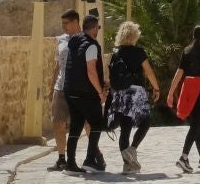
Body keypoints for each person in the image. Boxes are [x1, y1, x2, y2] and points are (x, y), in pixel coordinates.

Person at [107, 20, 160, 174]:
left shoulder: (115, 53)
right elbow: (148, 72)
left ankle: (127, 165)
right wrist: (156, 88)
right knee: (146, 121)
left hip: (121, 94)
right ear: (134, 36)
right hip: (136, 93)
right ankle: (132, 149)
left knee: (125, 129)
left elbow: (112, 75)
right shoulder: (139, 52)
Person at [62, 11, 110, 173]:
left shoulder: (74, 41)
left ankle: (70, 164)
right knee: (96, 123)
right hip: (86, 92)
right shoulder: (91, 45)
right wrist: (100, 92)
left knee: (75, 126)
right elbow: (91, 71)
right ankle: (90, 160)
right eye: (98, 27)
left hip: (70, 90)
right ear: (95, 28)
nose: (98, 30)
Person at [169, 25, 200, 172]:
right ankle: (184, 157)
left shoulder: (187, 50)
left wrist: (171, 92)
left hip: (188, 87)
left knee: (197, 123)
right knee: (197, 123)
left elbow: (179, 73)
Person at [47, 9, 81, 171]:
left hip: (79, 88)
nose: (64, 26)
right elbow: (57, 65)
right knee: (58, 123)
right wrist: (51, 87)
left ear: (76, 22)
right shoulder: (60, 40)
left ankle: (94, 154)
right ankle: (62, 158)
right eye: (62, 24)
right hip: (60, 88)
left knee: (85, 123)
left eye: (66, 23)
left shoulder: (85, 39)